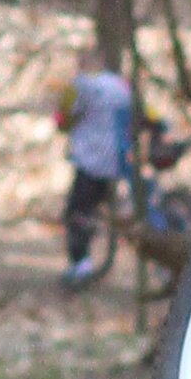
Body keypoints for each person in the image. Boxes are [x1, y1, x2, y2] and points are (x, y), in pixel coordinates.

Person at [59, 58, 139, 286]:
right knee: (94, 212)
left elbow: (64, 118)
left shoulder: (83, 85)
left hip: (91, 161)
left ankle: (81, 263)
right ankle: (90, 260)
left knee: (77, 212)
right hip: (116, 161)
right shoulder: (122, 87)